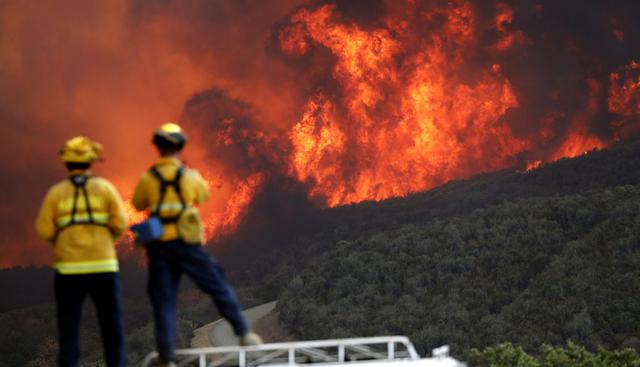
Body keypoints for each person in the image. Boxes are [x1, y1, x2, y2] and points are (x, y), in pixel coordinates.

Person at [132, 123, 262, 366]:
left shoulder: (148, 179)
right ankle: (245, 334)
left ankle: (166, 355)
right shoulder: (189, 176)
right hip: (188, 245)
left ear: (158, 148)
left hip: (160, 248)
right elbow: (202, 195)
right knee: (218, 287)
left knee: (165, 301)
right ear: (180, 146)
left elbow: (139, 203)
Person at [35, 136, 128, 367]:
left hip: (69, 272)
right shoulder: (105, 189)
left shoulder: (56, 194)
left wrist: (66, 245)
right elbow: (120, 225)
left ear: (66, 163)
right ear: (91, 162)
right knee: (112, 328)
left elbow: (44, 230)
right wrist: (106, 242)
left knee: (69, 330)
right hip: (103, 268)